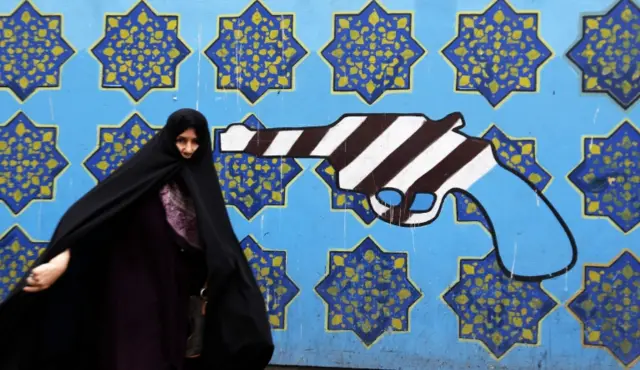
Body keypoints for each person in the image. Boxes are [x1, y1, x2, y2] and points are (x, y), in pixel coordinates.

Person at [0, 108, 274, 370]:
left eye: (195, 142)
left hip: (175, 293)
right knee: (138, 358)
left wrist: (214, 286)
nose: (188, 149)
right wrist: (62, 261)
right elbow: (94, 222)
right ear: (169, 138)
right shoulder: (143, 177)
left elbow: (216, 242)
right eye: (181, 140)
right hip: (133, 289)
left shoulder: (201, 184)